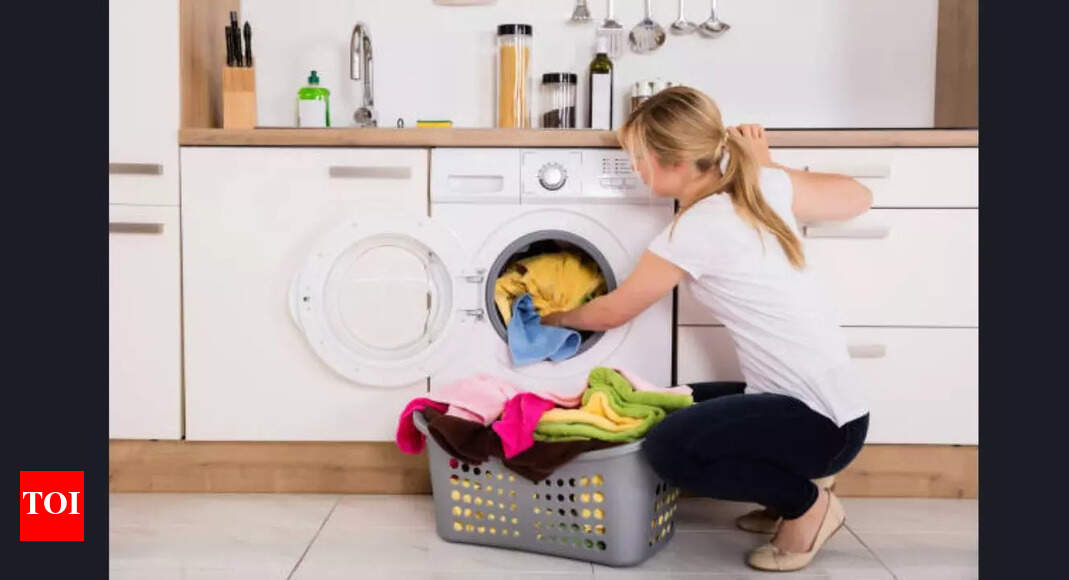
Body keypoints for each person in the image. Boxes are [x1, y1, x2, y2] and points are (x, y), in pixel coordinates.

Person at [540, 86, 872, 571]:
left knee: (669, 447)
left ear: (672, 162)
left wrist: (549, 316)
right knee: (673, 402)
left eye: (638, 157)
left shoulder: (694, 228)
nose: (635, 168)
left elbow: (612, 312)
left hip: (819, 425)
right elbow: (860, 196)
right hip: (839, 412)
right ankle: (791, 490)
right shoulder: (761, 185)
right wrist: (768, 168)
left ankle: (806, 506)